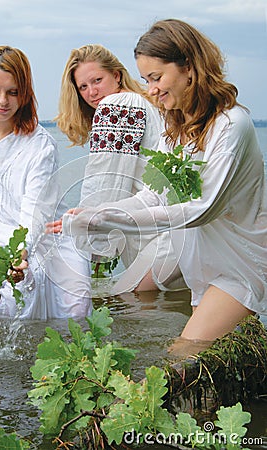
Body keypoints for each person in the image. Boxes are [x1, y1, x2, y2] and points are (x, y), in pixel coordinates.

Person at [53, 19, 267, 349]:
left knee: (180, 357)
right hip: (202, 266)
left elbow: (202, 209)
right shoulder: (177, 129)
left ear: (190, 68)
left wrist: (110, 219)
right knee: (216, 370)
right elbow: (156, 195)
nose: (150, 89)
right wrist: (94, 215)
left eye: (156, 77)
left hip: (241, 265)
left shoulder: (231, 125)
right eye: (146, 79)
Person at [0, 45, 92, 320]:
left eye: (13, 92)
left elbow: (35, 211)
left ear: (25, 92)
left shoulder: (39, 146)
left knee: (75, 311)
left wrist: (23, 252)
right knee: (13, 313)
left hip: (47, 233)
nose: (2, 102)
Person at [50, 44, 186, 295]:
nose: (92, 92)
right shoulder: (146, 104)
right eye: (83, 87)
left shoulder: (118, 105)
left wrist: (86, 234)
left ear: (117, 75)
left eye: (97, 80)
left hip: (156, 239)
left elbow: (104, 181)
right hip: (175, 233)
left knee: (129, 309)